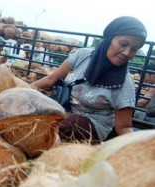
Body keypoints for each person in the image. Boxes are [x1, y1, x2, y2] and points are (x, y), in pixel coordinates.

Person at [32, 16, 147, 144]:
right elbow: (51, 78)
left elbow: (124, 127)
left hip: (94, 125)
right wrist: (21, 90)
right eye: (123, 44)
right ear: (109, 38)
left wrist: (140, 150)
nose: (127, 53)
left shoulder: (124, 81)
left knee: (58, 124)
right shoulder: (82, 56)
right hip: (64, 110)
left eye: (134, 50)